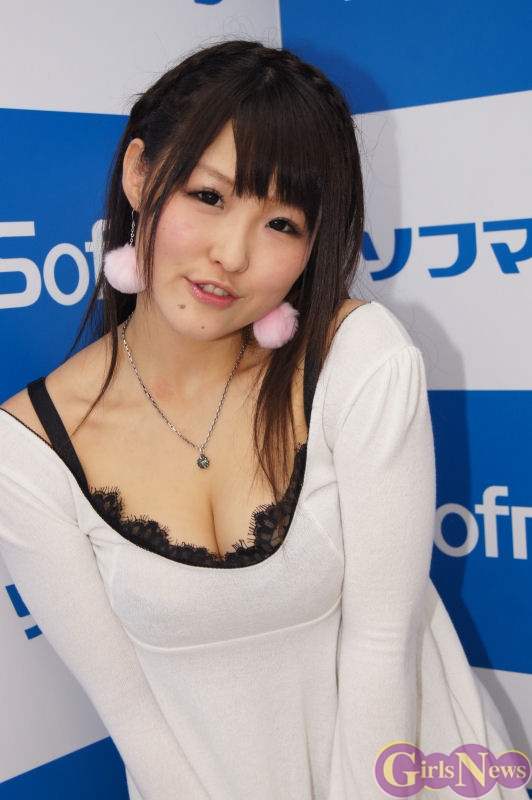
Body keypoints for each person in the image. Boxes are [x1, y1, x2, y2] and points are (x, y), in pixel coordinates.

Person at [0, 41, 526, 800]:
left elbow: (382, 643)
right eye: (209, 197)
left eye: (281, 222)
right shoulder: (29, 451)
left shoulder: (358, 360)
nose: (232, 255)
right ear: (141, 175)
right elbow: (136, 722)